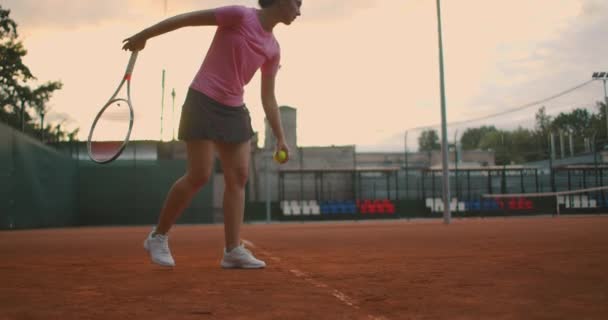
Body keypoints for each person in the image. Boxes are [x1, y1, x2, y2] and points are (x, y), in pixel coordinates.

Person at [122, 0, 302, 269]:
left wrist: (280, 137)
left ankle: (232, 250)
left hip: (234, 108)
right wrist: (143, 35)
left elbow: (268, 97)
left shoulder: (273, 49)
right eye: (296, 3)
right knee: (200, 175)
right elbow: (186, 19)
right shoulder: (239, 15)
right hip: (203, 100)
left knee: (239, 176)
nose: (299, 11)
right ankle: (158, 236)